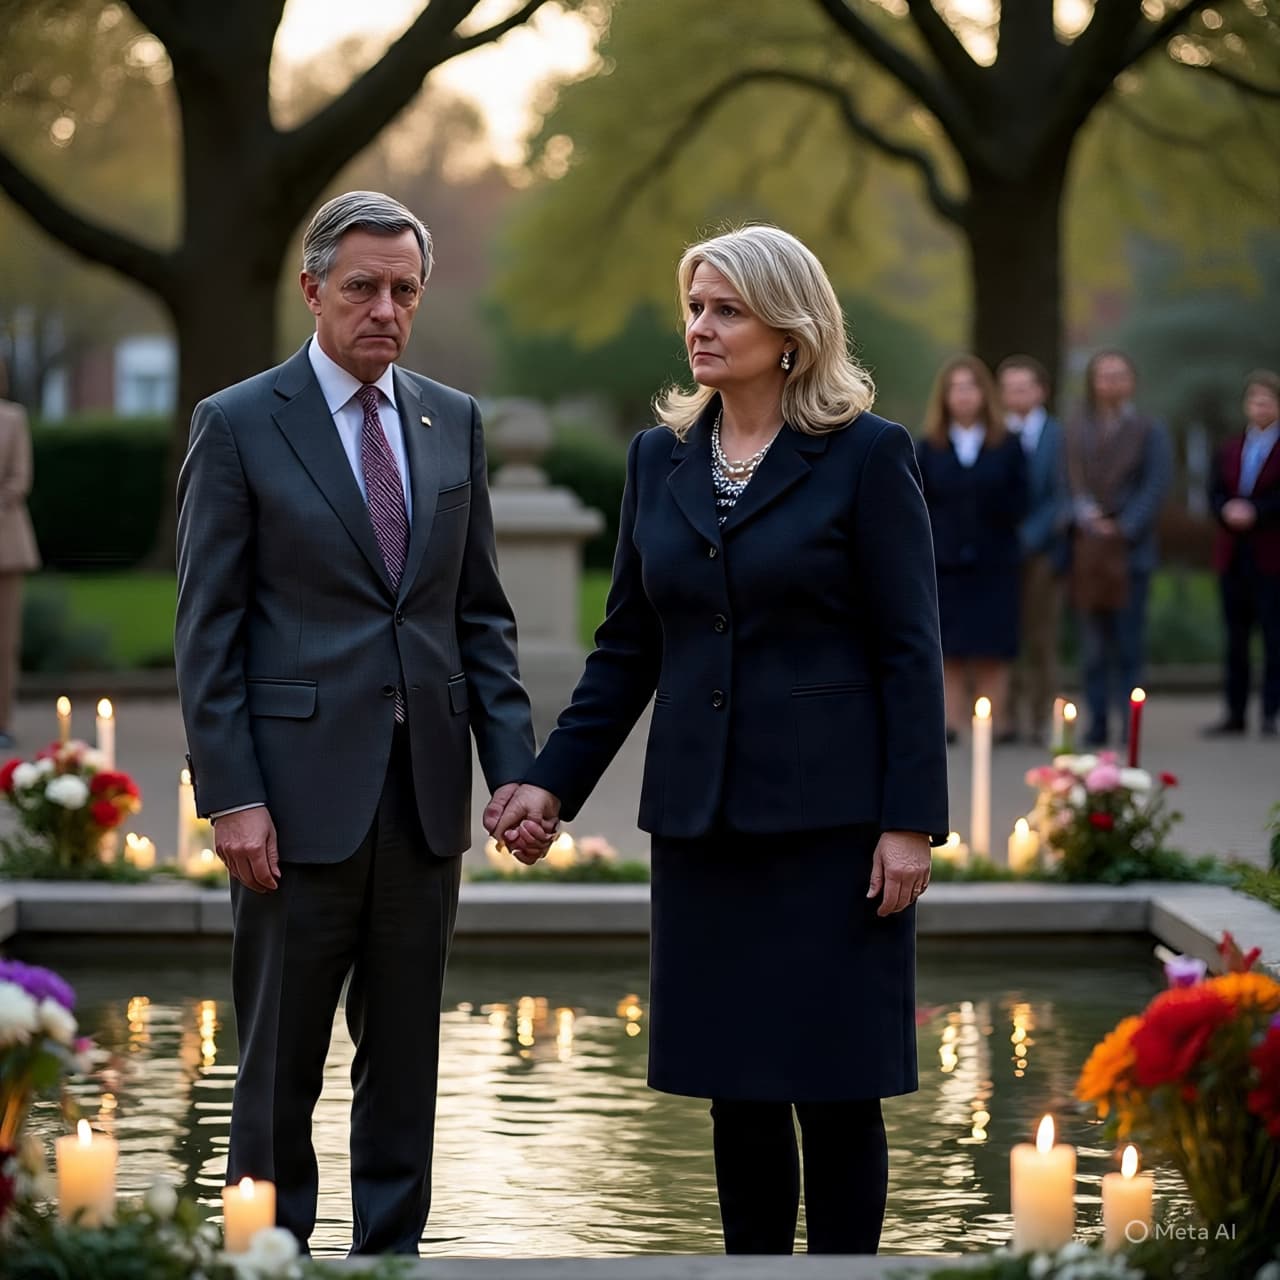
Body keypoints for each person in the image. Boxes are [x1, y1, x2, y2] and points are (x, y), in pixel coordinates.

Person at [488, 225, 948, 1256]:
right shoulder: (657, 459)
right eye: (695, 306)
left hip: (832, 827)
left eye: (726, 309)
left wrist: (910, 821)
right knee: (734, 1088)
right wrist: (549, 784)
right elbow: (626, 649)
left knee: (836, 1084)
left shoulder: (868, 455)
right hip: (702, 824)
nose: (700, 326)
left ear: (790, 331)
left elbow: (909, 650)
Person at [174, 191, 536, 1255]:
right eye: (363, 287)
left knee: (406, 1062)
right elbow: (207, 632)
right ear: (312, 289)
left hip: (422, 800)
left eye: (404, 290)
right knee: (276, 1067)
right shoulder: (238, 422)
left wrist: (515, 771)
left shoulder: (452, 420)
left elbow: (479, 617)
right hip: (291, 806)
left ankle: (389, 1260)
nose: (385, 309)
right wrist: (232, 796)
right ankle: (267, 1258)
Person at [916, 355, 1028, 744]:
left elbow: (1021, 500)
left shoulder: (1007, 444)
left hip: (994, 561)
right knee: (949, 646)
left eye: (970, 387)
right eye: (955, 388)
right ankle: (949, 722)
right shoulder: (928, 447)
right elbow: (919, 502)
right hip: (944, 563)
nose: (963, 395)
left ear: (985, 394)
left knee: (991, 646)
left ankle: (993, 722)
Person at [1063, 350, 1171, 748]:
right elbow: (1065, 480)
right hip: (1087, 554)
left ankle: (1130, 724)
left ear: (1132, 382)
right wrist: (1084, 513)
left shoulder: (1149, 429)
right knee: (1092, 648)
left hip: (1131, 554)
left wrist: (1124, 525)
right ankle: (1096, 723)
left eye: (1119, 375)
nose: (1110, 382)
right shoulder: (1076, 429)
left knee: (1129, 645)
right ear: (1093, 381)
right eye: (1104, 375)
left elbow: (1156, 484)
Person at [1204, 369, 1280, 738]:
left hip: (1272, 555)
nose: (1259, 407)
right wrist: (1226, 510)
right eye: (1254, 400)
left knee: (1274, 637)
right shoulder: (1231, 448)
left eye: (1267, 400)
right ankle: (1234, 712)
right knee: (1236, 638)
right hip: (1234, 554)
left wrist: (1257, 512)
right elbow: (1214, 490)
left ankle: (1270, 712)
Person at [999, 355, 1067, 747]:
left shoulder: (1059, 437)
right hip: (999, 554)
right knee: (1004, 636)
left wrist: (1028, 538)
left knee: (1041, 638)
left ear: (1040, 391)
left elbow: (1062, 494)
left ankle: (1043, 719)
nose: (1015, 395)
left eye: (1023, 388)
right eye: (1009, 388)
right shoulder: (995, 433)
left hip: (1043, 553)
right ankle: (1007, 717)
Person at [0, 357, 40, 750]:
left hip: (6, 546)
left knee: (4, 639)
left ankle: (3, 720)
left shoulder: (12, 419)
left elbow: (19, 478)